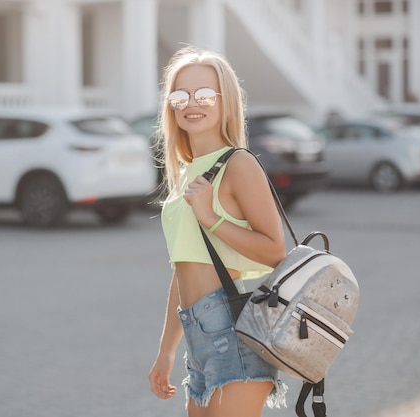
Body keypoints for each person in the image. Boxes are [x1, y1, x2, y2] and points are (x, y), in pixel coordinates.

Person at [148, 45, 288, 416]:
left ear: (225, 102)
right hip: (198, 339)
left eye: (205, 94)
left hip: (232, 335)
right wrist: (166, 350)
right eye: (180, 95)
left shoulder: (239, 164)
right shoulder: (185, 174)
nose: (192, 103)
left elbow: (275, 250)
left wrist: (212, 217)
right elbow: (183, 270)